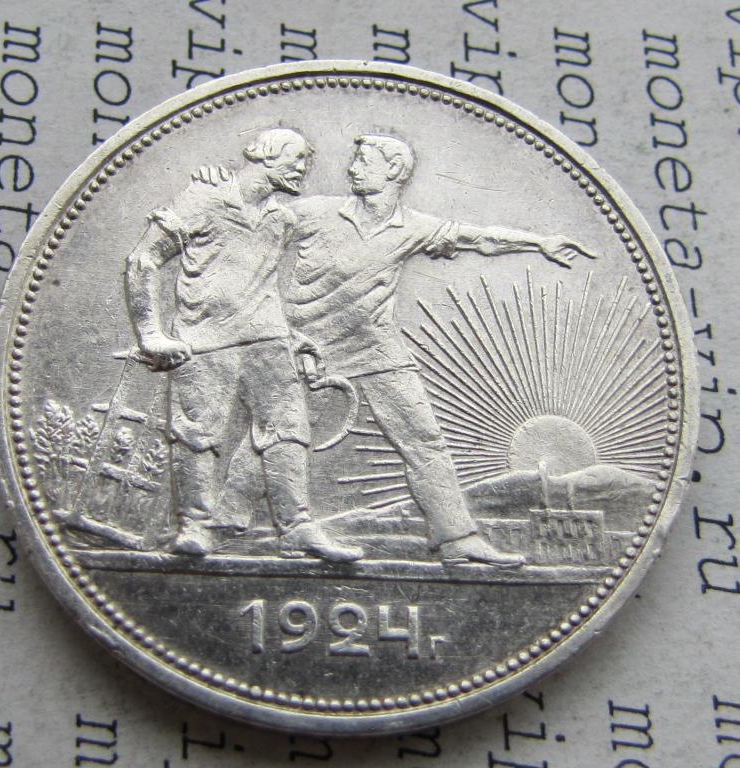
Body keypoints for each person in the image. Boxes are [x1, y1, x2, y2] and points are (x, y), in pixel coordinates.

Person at [199, 133, 595, 566]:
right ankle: (226, 522)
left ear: (393, 171)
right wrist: (218, 185)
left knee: (424, 439)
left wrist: (538, 243)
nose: (352, 168)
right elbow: (248, 222)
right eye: (354, 160)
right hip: (306, 349)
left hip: (377, 349)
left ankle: (457, 539)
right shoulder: (315, 212)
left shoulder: (413, 227)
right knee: (277, 436)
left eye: (363, 161)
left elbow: (479, 238)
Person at [124, 128, 363, 562]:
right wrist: (150, 333)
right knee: (197, 433)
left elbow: (257, 284)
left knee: (289, 431)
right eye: (296, 160)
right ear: (265, 156)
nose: (302, 170)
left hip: (269, 341)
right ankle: (194, 525)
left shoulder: (282, 219)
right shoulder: (203, 197)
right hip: (204, 341)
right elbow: (144, 259)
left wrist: (290, 335)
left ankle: (295, 527)